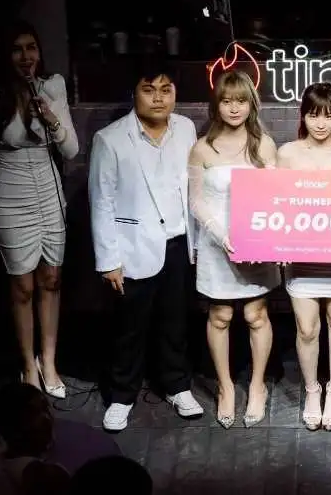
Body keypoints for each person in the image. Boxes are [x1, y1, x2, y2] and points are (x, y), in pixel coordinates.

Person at [88, 59, 203, 431]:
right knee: (129, 329)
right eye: (149, 89)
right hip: (132, 247)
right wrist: (108, 260)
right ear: (134, 93)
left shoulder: (185, 128)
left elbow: (192, 187)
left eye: (166, 90)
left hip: (178, 243)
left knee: (176, 323)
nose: (158, 98)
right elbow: (101, 201)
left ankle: (178, 386)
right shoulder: (110, 139)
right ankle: (121, 396)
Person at [0, 19, 79, 398]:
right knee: (23, 286)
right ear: (6, 55)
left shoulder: (53, 86)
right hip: (9, 198)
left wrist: (51, 118)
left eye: (31, 48)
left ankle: (49, 361)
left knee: (52, 279)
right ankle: (27, 365)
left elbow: (71, 150)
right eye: (17, 49)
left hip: (49, 194)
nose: (26, 56)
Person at [188, 70, 280, 428]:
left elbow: (274, 198)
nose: (234, 108)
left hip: (256, 244)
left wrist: (262, 238)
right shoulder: (202, 147)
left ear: (251, 104)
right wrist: (222, 235)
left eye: (241, 100)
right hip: (217, 244)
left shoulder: (264, 144)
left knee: (256, 315)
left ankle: (257, 385)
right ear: (217, 105)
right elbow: (196, 202)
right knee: (220, 316)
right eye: (227, 101)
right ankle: (225, 386)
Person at [277, 83, 331, 431]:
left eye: (328, 115)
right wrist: (277, 245)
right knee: (307, 327)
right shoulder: (287, 154)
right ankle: (312, 390)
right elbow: (277, 202)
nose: (321, 123)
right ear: (303, 117)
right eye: (313, 115)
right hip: (301, 254)